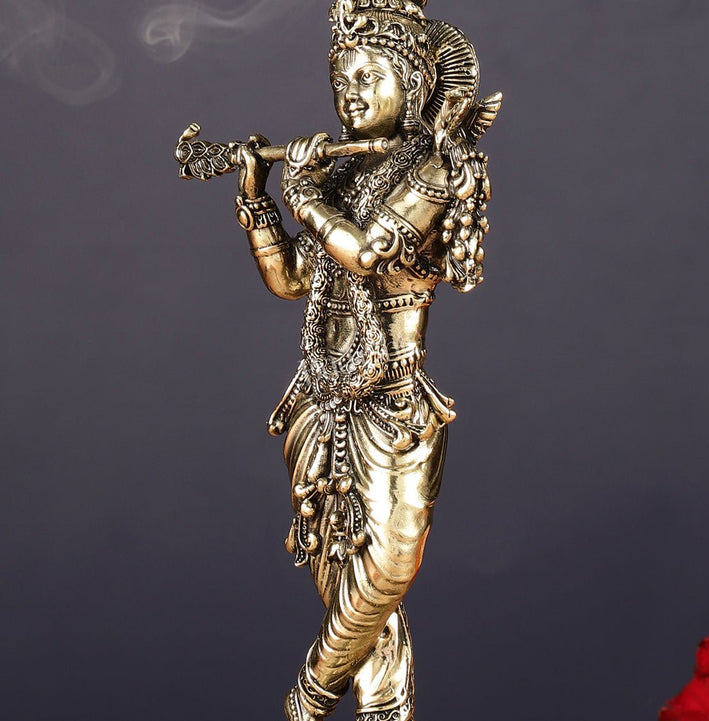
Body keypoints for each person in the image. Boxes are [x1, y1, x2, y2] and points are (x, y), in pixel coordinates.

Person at [231, 2, 501, 720]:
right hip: (319, 404)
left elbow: (371, 252)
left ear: (412, 87)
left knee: (387, 572)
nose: (349, 93)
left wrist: (306, 198)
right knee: (355, 600)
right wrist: (258, 201)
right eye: (340, 78)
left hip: (396, 401)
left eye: (368, 75)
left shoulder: (435, 167)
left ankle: (307, 698)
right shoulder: (342, 175)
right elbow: (292, 278)